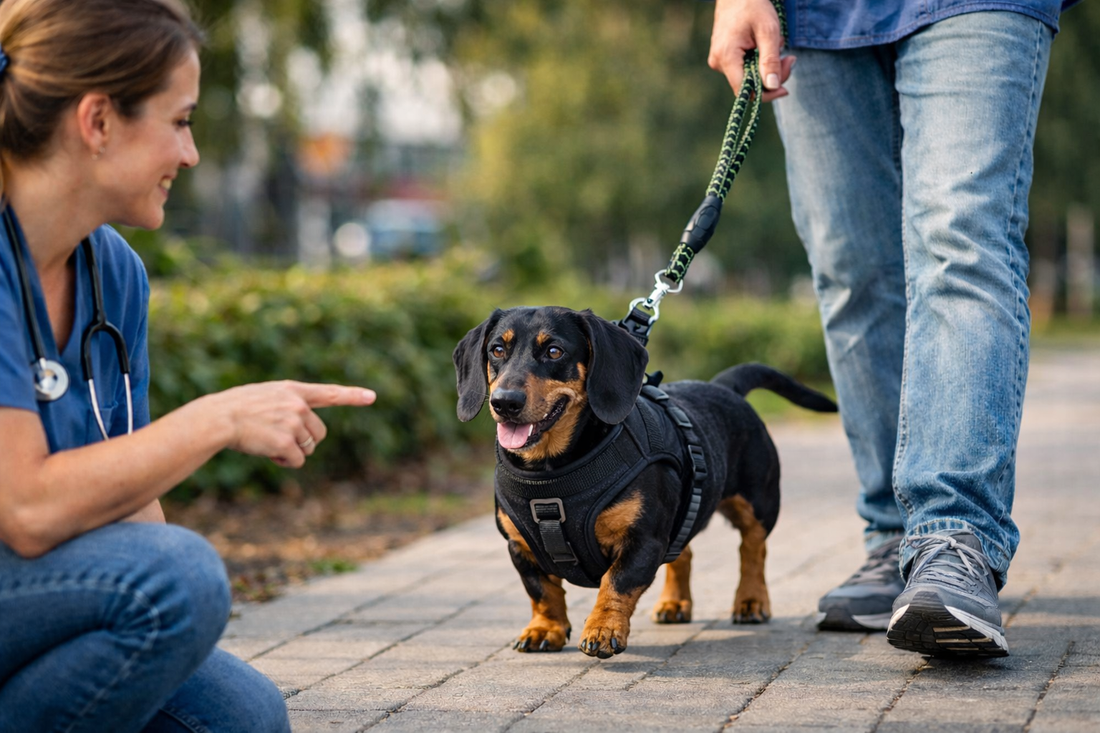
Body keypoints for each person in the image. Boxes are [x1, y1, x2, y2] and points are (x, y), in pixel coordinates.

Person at [0, 0, 376, 729]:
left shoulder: (116, 275)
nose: (191, 153)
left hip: (29, 600)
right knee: (178, 578)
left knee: (242, 714)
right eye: (180, 121)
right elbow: (27, 509)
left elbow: (132, 504)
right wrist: (220, 416)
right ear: (99, 121)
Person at [708, 0, 1075, 657]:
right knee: (852, 268)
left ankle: (954, 537)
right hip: (814, 16)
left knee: (961, 240)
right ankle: (893, 535)